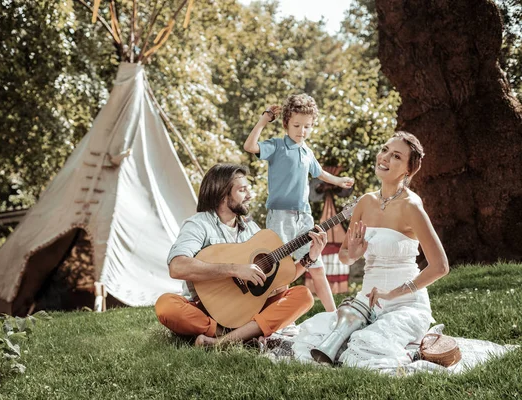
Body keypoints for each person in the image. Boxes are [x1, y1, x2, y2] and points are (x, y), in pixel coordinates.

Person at [292, 131, 450, 369]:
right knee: (314, 340)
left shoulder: (412, 206)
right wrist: (354, 254)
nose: (385, 157)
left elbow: (440, 267)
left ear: (408, 170)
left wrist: (393, 294)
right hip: (363, 304)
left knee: (364, 349)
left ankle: (411, 349)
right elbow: (345, 256)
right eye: (384, 149)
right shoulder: (365, 202)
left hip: (405, 305)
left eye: (396, 156)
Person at [155, 163, 328, 347]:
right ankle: (237, 334)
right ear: (223, 194)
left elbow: (282, 277)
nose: (249, 195)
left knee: (303, 296)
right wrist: (235, 270)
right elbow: (177, 266)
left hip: (248, 309)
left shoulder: (251, 229)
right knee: (166, 305)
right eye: (242, 190)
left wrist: (311, 257)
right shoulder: (198, 224)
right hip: (207, 310)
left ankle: (221, 341)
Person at [243, 93, 354, 311]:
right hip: (280, 217)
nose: (302, 131)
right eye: (297, 125)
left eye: (307, 126)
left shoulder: (307, 152)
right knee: (280, 272)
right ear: (286, 123)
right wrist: (263, 120)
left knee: (317, 266)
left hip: (304, 217)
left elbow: (320, 173)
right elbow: (250, 146)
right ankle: (275, 318)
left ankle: (334, 316)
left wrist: (339, 181)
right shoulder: (276, 146)